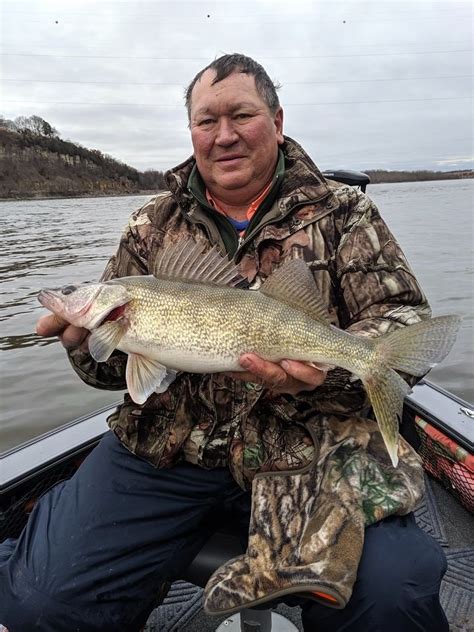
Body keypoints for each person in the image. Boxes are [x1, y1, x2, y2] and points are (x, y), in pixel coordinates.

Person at [0, 54, 449, 632]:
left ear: (278, 120)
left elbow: (401, 314)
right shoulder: (151, 226)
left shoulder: (345, 213)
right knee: (40, 601)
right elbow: (116, 378)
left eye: (242, 114)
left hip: (312, 446)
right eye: (206, 121)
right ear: (191, 130)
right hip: (167, 449)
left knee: (393, 596)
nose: (224, 135)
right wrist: (86, 345)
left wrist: (337, 367)